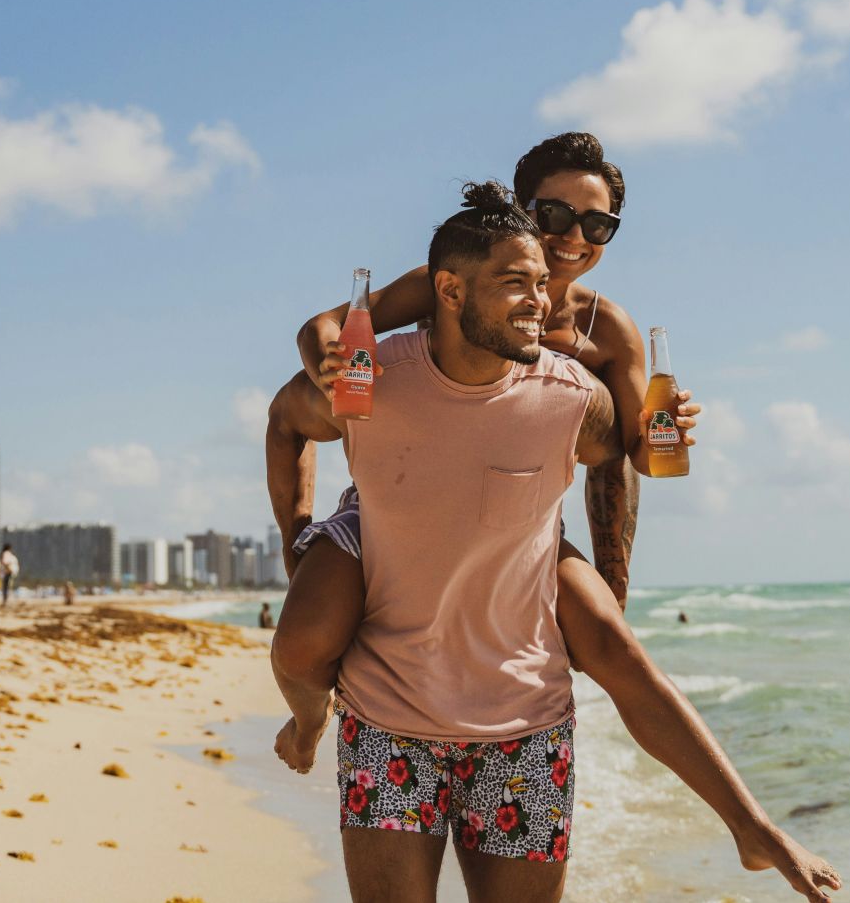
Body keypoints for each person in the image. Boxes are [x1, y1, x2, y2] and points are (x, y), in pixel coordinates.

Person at [268, 186, 841, 903]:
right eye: (515, 284)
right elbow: (283, 421)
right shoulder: (371, 382)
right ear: (448, 290)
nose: (540, 300)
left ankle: (752, 831)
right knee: (296, 644)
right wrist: (298, 540)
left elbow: (628, 455)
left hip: (525, 732)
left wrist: (653, 455)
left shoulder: (571, 397)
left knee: (617, 649)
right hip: (390, 724)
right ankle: (309, 718)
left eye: (542, 283)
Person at [276, 133, 696, 605]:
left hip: (520, 521)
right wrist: (331, 372)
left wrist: (615, 584)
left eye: (598, 225)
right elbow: (324, 327)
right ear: (521, 210)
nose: (575, 237)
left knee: (606, 637)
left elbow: (631, 453)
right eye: (557, 215)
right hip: (400, 503)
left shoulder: (607, 329)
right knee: (304, 645)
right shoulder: (454, 282)